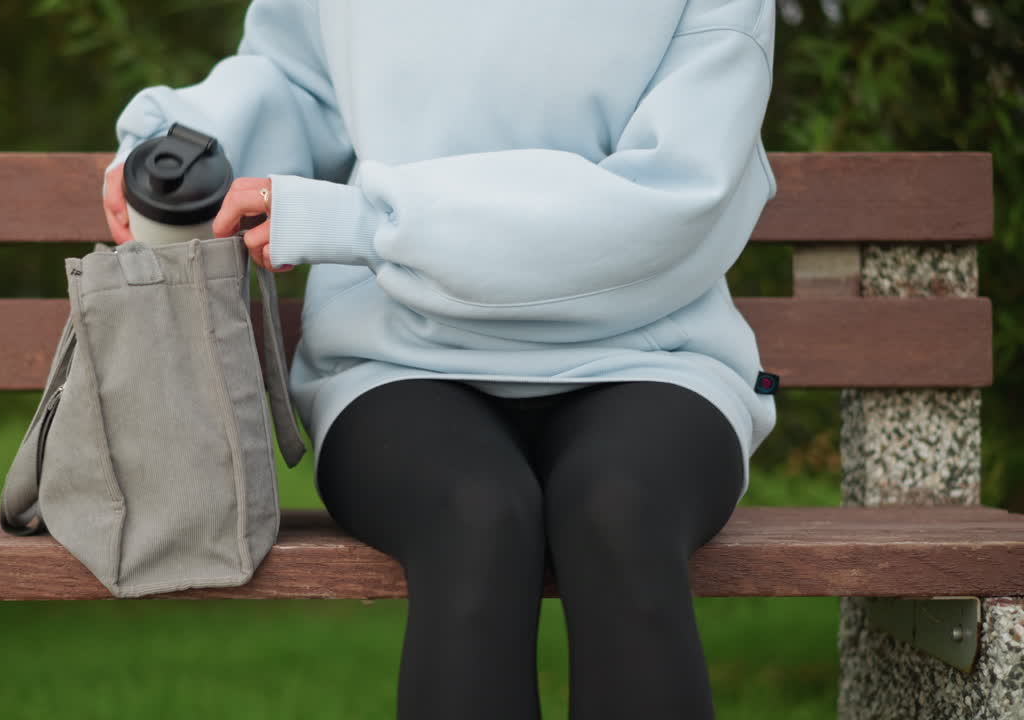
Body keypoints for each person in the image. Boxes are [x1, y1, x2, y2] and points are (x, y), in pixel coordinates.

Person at [102, 2, 779, 717]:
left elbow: (674, 195)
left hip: (654, 359)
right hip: (396, 364)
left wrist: (371, 223)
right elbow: (298, 84)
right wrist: (180, 152)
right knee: (476, 515)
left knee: (619, 509)